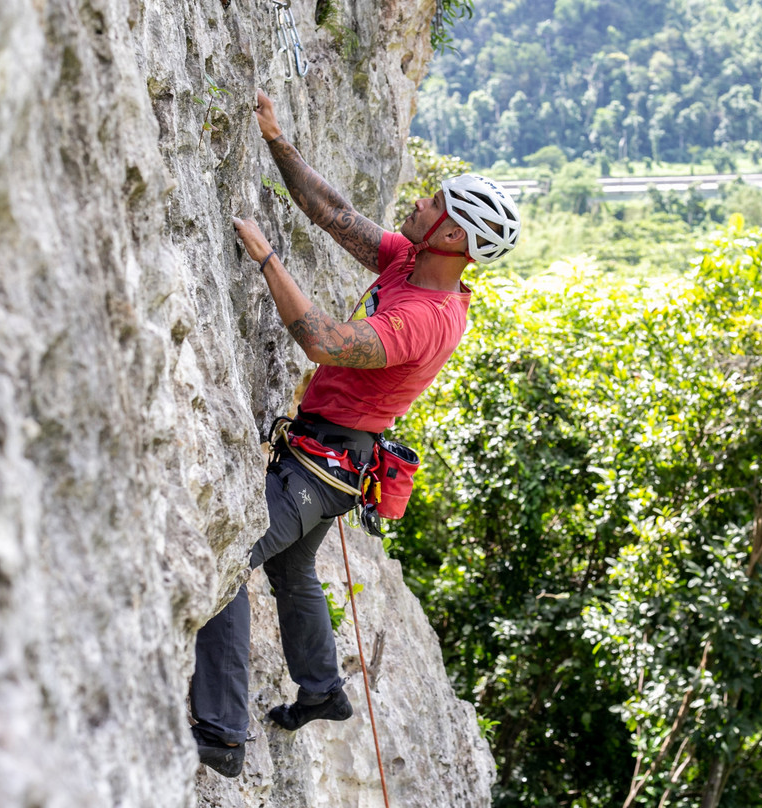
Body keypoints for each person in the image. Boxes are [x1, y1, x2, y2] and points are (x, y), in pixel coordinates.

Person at [189, 89, 520, 778]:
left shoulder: (430, 317)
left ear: (454, 235)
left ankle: (220, 733)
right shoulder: (410, 263)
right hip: (328, 454)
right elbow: (336, 215)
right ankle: (323, 691)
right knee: (292, 568)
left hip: (324, 469)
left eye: (433, 203)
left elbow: (328, 342)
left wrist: (266, 258)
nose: (419, 205)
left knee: (226, 563)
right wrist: (277, 140)